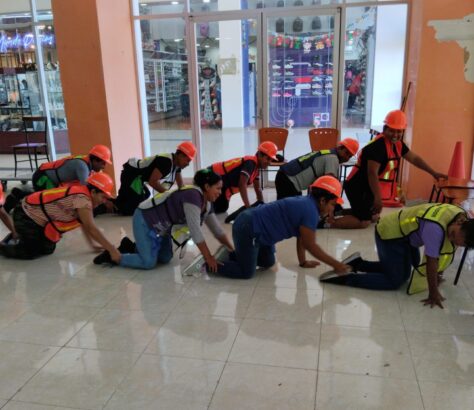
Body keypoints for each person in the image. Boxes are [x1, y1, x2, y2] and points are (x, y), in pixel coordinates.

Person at [320, 203, 474, 309]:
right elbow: (432, 262)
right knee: (396, 280)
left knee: (410, 266)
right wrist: (433, 292)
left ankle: (358, 263)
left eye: (456, 242)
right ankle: (346, 277)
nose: (450, 238)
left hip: (407, 236)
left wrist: (437, 275)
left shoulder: (460, 214)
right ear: (460, 223)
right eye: (453, 234)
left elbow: (445, 250)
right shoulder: (435, 229)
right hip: (390, 232)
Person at [95, 169, 233, 271]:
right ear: (207, 187)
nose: (220, 192)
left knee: (165, 257)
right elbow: (195, 230)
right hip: (144, 218)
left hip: (162, 227)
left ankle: (130, 246)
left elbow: (217, 230)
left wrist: (231, 249)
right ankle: (114, 257)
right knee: (148, 262)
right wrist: (208, 257)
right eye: (218, 188)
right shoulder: (193, 196)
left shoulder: (206, 204)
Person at [217, 175, 351, 279]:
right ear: (322, 200)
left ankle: (238, 253)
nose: (332, 209)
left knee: (268, 262)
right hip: (248, 227)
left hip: (257, 227)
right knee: (246, 272)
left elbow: (302, 237)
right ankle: (210, 264)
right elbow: (310, 245)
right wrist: (337, 265)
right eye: (333, 204)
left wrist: (303, 262)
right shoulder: (310, 211)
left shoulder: (308, 204)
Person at [332, 109, 448, 229]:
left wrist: (433, 173)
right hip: (356, 186)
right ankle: (328, 222)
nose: (395, 135)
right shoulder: (377, 147)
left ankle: (338, 212)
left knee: (373, 217)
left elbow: (414, 159)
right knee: (364, 222)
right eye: (392, 130)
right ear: (385, 129)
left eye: (399, 131)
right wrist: (378, 198)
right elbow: (372, 173)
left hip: (368, 186)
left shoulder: (398, 144)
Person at [0, 173, 120, 261]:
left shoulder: (86, 197)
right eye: (103, 197)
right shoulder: (82, 199)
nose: (104, 201)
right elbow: (91, 227)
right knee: (30, 252)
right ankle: (4, 246)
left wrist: (92, 245)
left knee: (47, 250)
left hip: (40, 218)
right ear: (93, 192)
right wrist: (111, 249)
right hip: (25, 214)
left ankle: (22, 236)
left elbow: (84, 223)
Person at [3, 144, 112, 212]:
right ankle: (16, 198)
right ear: (95, 160)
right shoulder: (82, 166)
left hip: (48, 178)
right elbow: (87, 188)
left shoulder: (88, 164)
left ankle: (19, 194)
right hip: (43, 177)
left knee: (43, 198)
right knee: (45, 201)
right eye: (103, 163)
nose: (104, 166)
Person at [112, 141, 196, 216]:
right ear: (180, 155)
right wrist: (169, 196)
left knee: (146, 195)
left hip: (139, 178)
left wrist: (186, 199)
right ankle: (112, 205)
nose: (188, 164)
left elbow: (181, 186)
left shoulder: (176, 165)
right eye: (187, 160)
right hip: (131, 174)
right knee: (134, 208)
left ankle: (118, 202)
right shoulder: (166, 163)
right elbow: (153, 182)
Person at [275, 138, 359, 200]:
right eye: (346, 153)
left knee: (287, 208)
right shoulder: (333, 158)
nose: (346, 157)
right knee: (289, 211)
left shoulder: (328, 152)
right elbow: (329, 184)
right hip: (289, 180)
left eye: (350, 156)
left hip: (285, 175)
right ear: (340, 148)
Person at [209, 141, 278, 216]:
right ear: (259, 155)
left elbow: (257, 187)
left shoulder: (256, 168)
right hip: (212, 177)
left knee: (222, 208)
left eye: (271, 160)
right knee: (209, 209)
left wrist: (261, 203)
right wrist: (248, 208)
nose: (269, 162)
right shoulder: (250, 163)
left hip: (223, 184)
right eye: (267, 159)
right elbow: (242, 184)